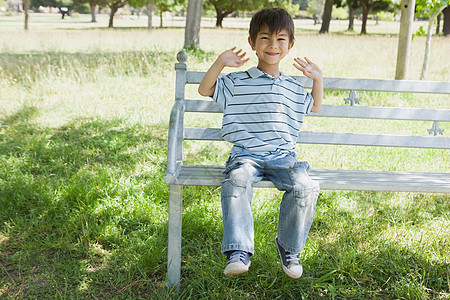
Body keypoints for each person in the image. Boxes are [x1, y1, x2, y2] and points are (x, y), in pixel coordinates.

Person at [198, 8, 323, 279]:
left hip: (283, 157)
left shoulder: (291, 87)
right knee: (237, 181)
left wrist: (317, 79)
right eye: (265, 38)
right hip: (246, 156)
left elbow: (314, 106)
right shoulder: (237, 82)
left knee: (306, 187)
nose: (272, 45)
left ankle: (289, 248)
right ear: (252, 43)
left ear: (289, 46)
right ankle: (238, 251)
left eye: (280, 39)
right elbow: (205, 89)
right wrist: (220, 62)